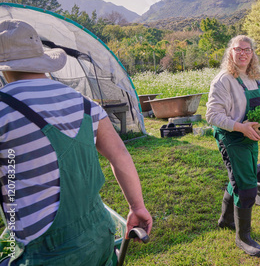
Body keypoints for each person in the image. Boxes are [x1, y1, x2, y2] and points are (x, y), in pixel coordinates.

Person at [0, 19, 152, 265]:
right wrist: (137, 207)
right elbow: (119, 154)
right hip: (98, 235)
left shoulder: (4, 107)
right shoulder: (83, 103)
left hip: (43, 253)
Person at [206, 35, 260, 257]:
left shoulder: (255, 78)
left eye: (247, 50)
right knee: (247, 186)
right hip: (231, 137)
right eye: (238, 49)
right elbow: (212, 115)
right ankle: (243, 237)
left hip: (250, 137)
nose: (243, 53)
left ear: (252, 54)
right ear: (230, 53)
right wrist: (240, 127)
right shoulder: (223, 80)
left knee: (239, 179)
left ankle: (225, 220)